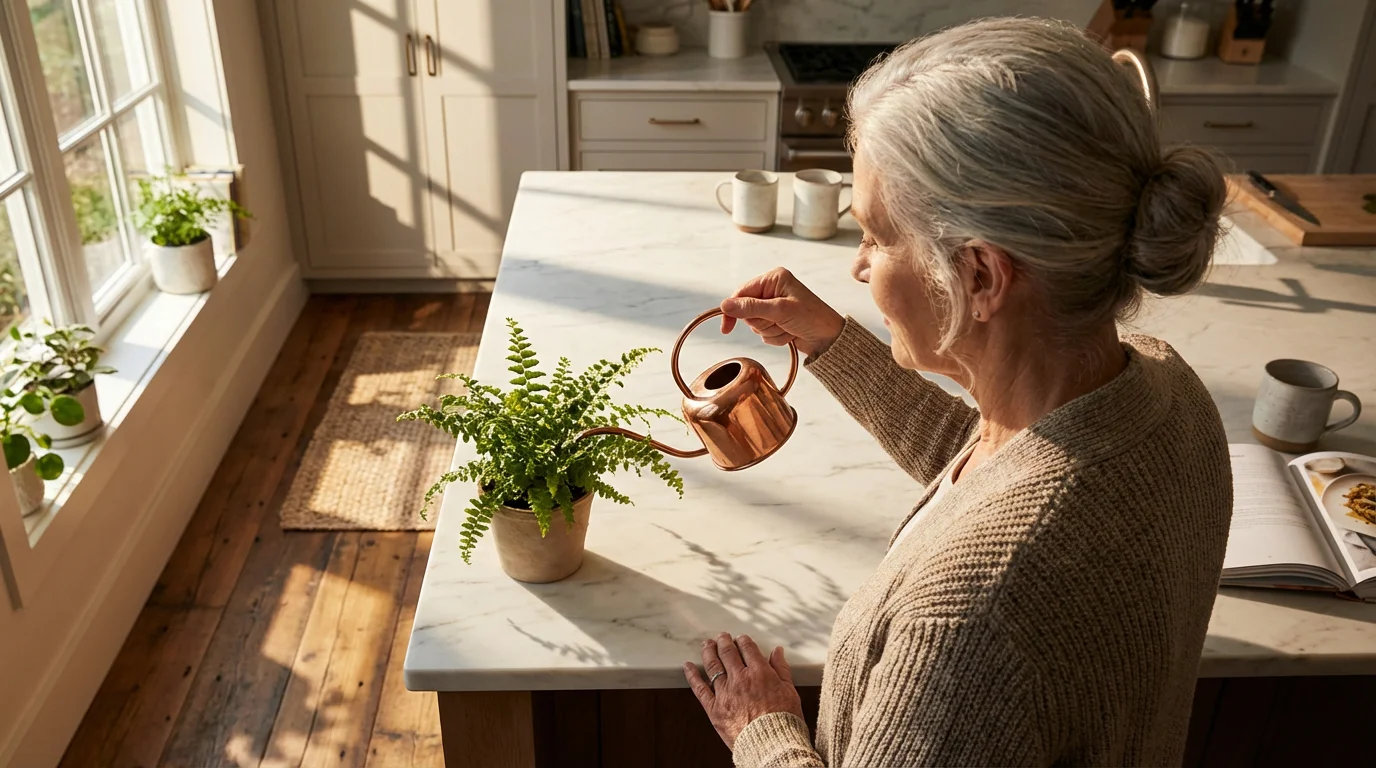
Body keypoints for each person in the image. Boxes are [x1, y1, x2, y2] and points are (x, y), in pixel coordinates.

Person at [682, 17, 1233, 767]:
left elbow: (1000, 540)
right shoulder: (1166, 391)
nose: (858, 266)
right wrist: (831, 342)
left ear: (978, 277)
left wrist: (765, 731)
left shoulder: (967, 622)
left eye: (875, 235)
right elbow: (997, 476)